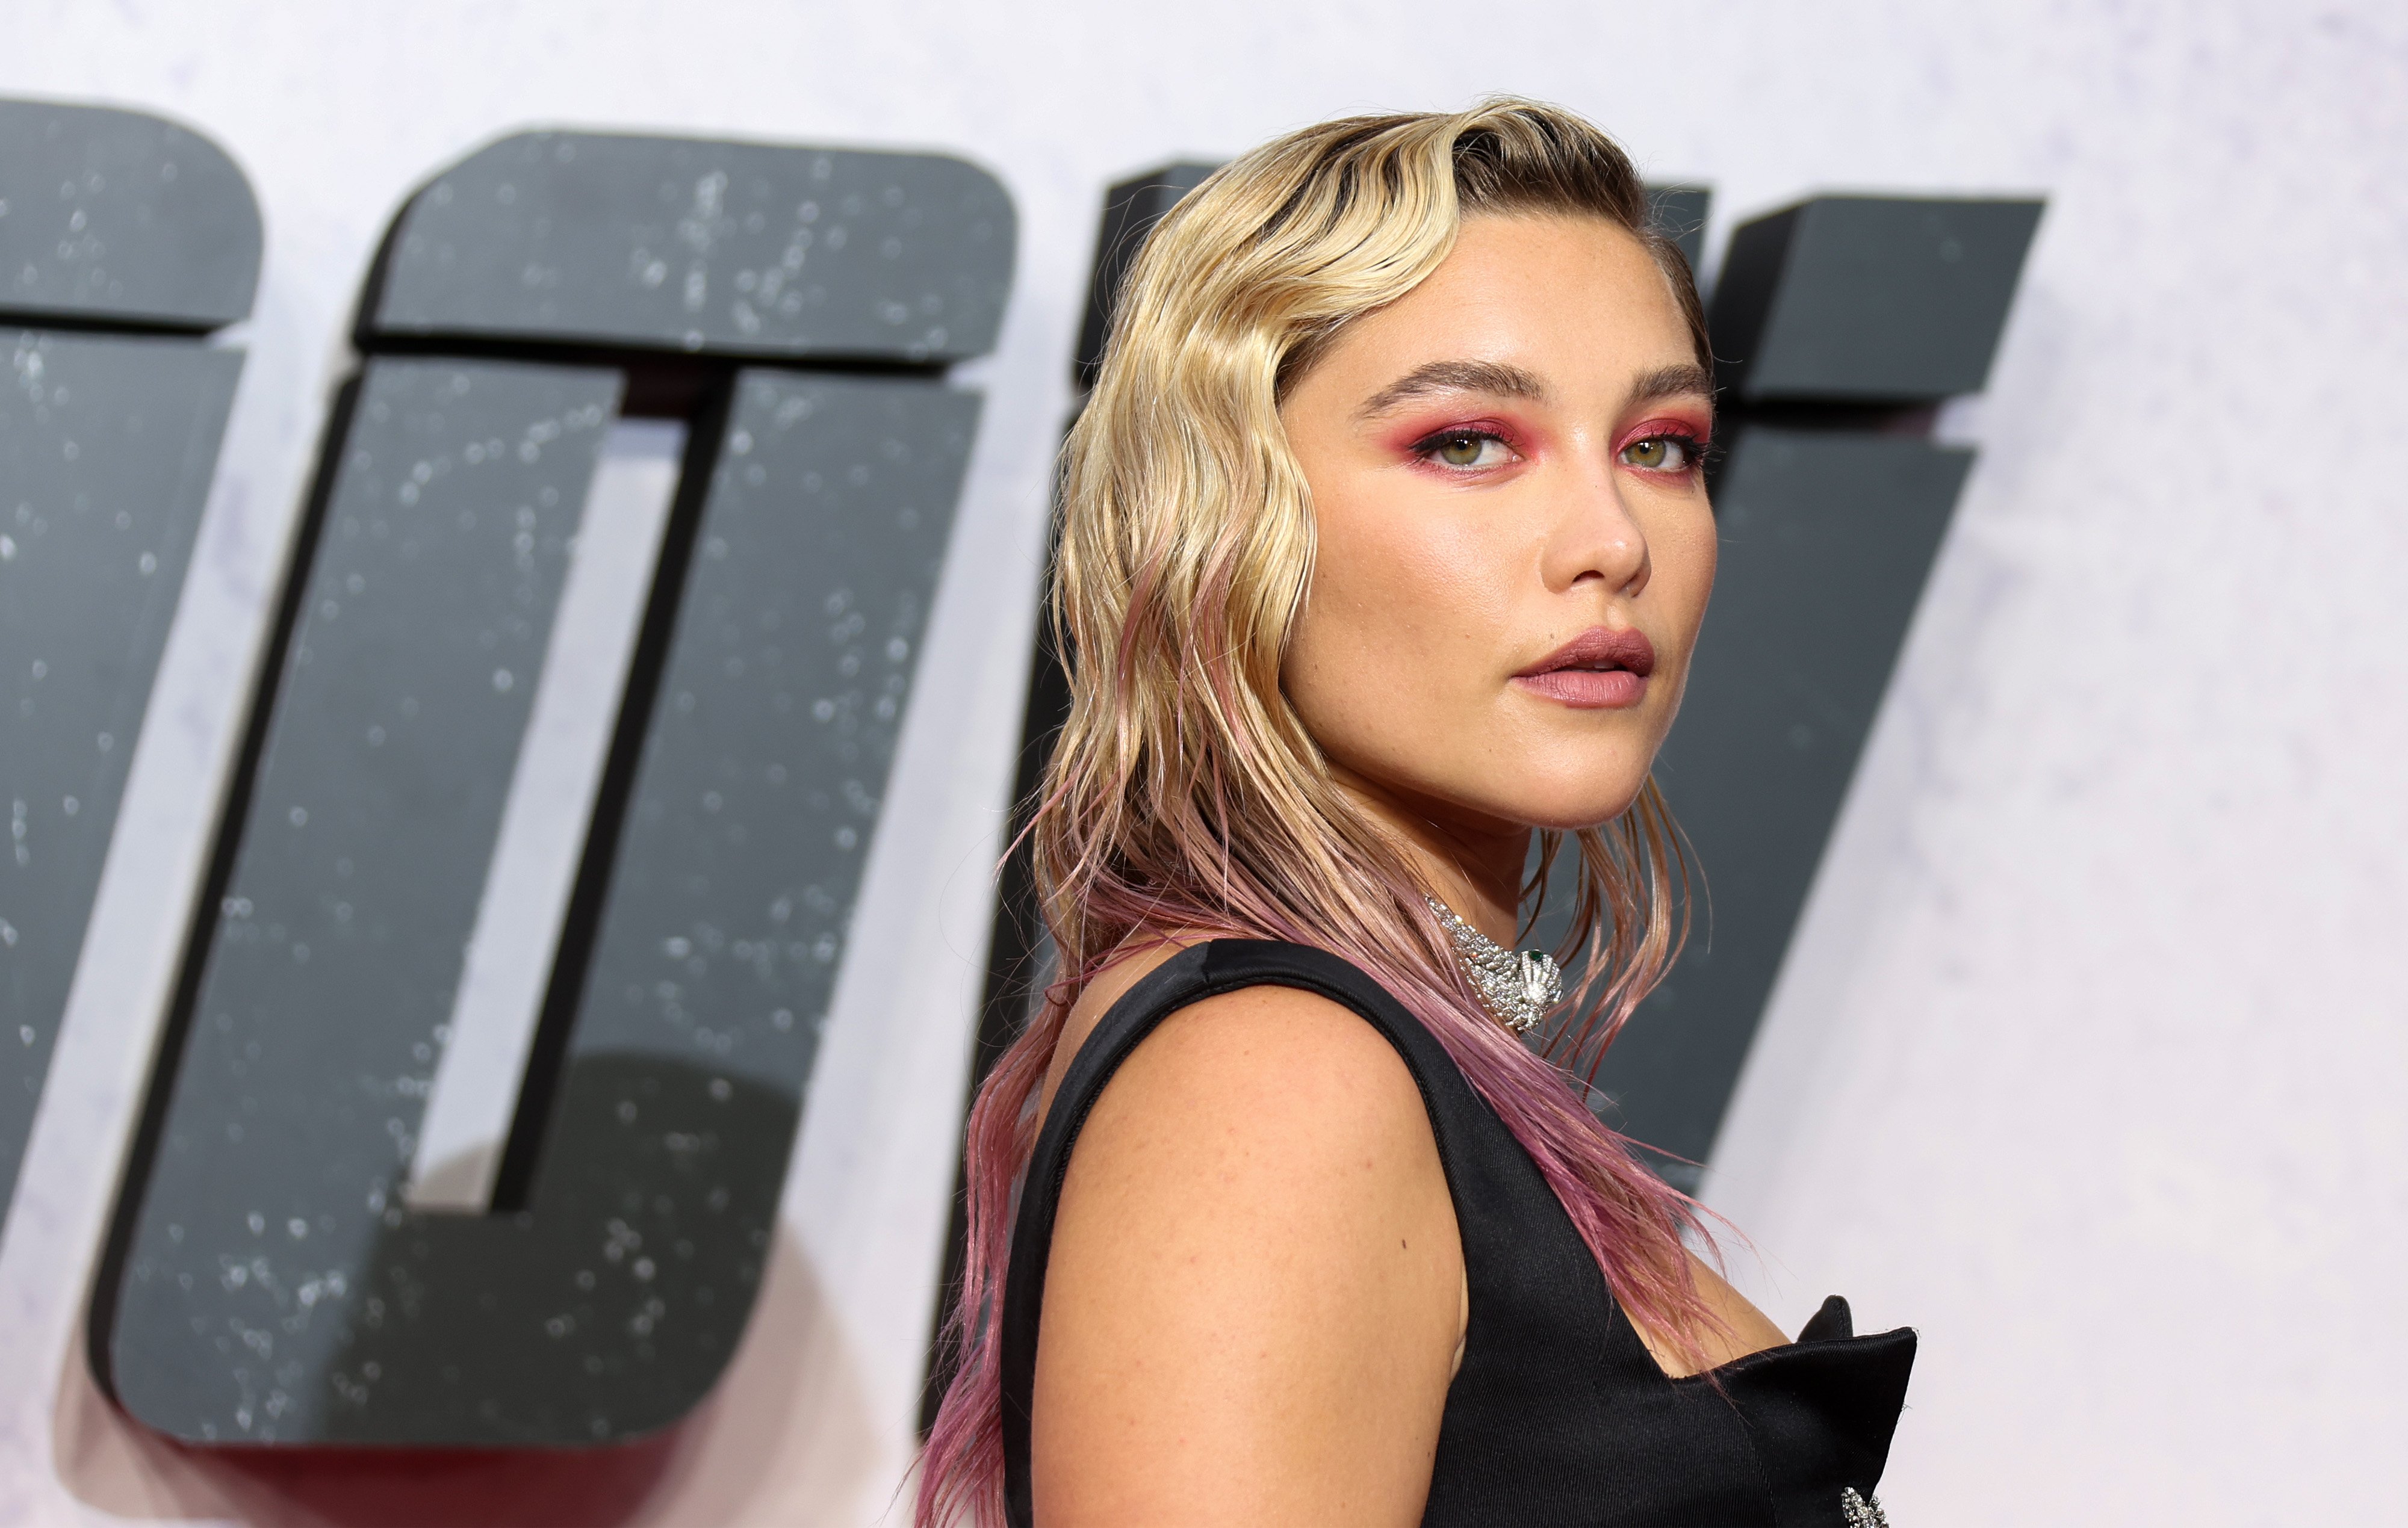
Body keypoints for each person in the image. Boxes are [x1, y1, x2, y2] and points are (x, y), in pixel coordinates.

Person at [919, 98, 1914, 1528]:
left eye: (1660, 445)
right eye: (1467, 443)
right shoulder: (1274, 1075)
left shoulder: (1369, 1045)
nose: (1611, 543)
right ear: (1224, 520)